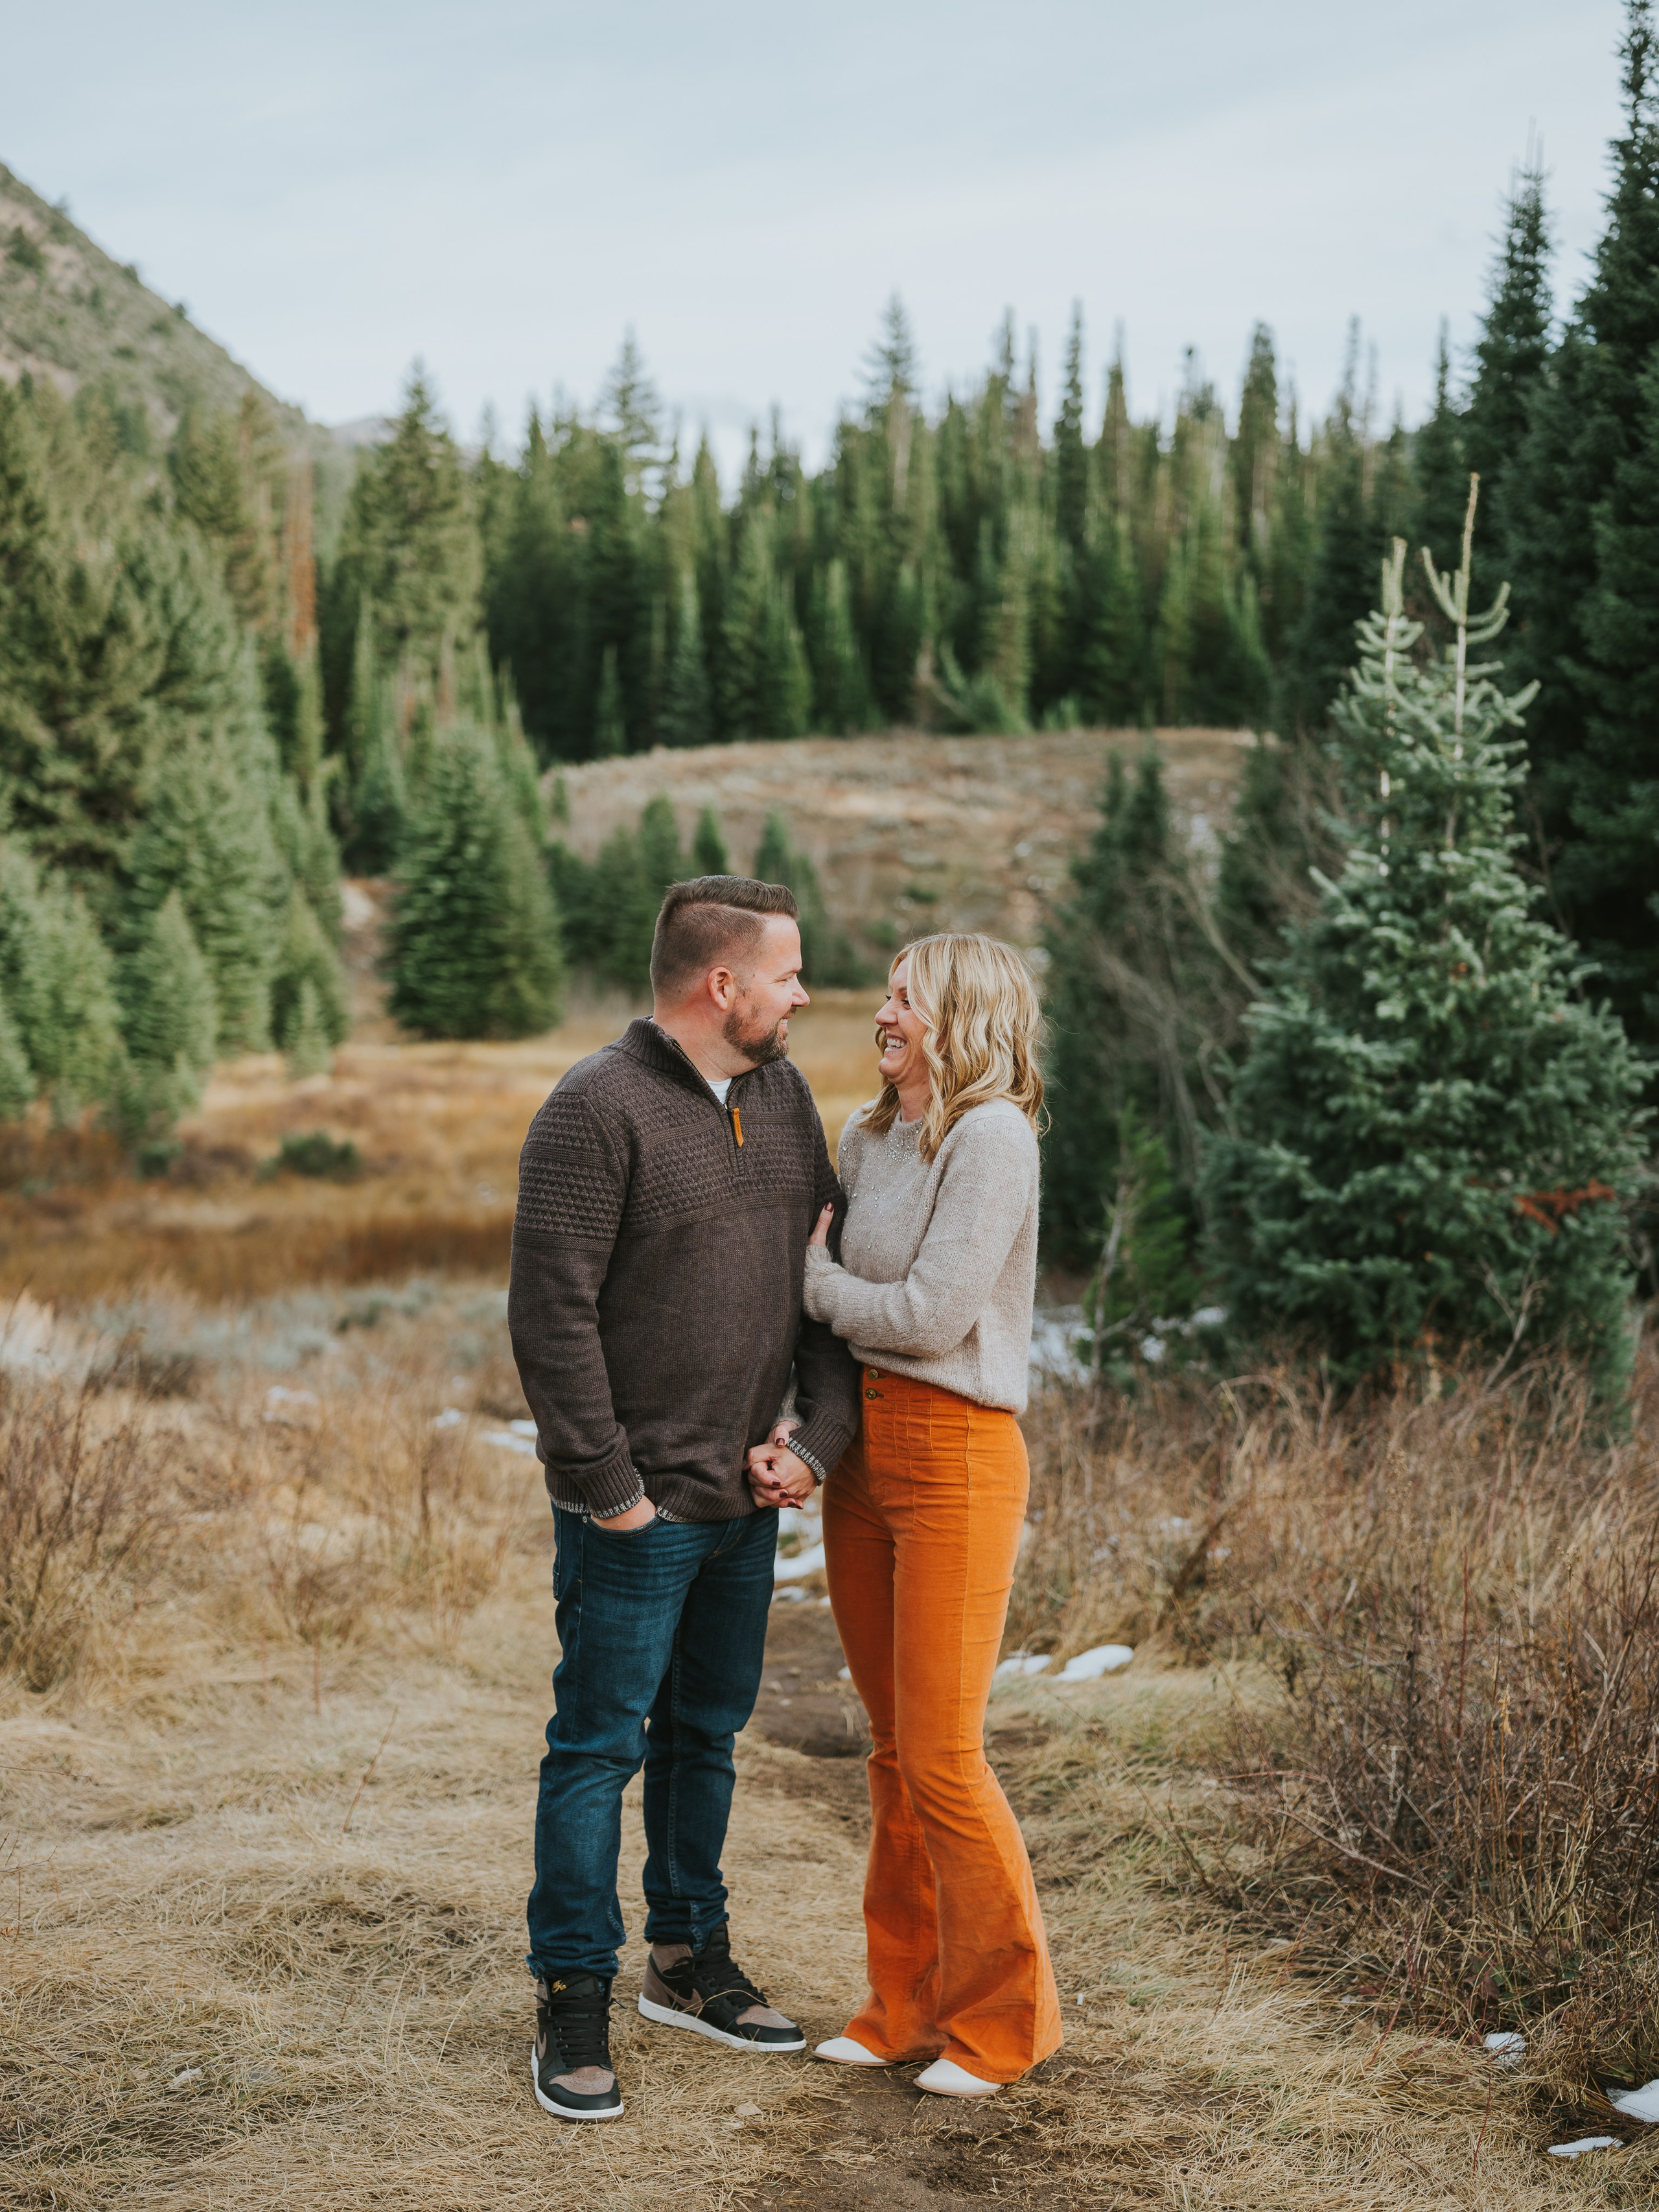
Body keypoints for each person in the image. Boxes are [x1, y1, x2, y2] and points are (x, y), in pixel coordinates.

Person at [509, 874, 860, 2123]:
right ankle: (573, 1991)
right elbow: (549, 1320)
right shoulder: (592, 1110)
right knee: (597, 1745)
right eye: (789, 971)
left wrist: (815, 1439)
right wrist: (609, 1493)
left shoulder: (784, 1094)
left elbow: (818, 1282)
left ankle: (686, 1959)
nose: (805, 994)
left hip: (744, 1505)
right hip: (635, 1514)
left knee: (703, 1735)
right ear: (724, 985)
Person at [748, 933, 1062, 2099]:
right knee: (891, 1754)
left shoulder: (993, 1135)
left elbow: (930, 1314)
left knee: (944, 1754)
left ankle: (1005, 2022)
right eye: (885, 993)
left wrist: (822, 1285)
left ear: (959, 1015)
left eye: (903, 996)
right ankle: (902, 2005)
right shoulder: (867, 1135)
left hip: (961, 1459)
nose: (882, 1013)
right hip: (872, 1456)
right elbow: (849, 1328)